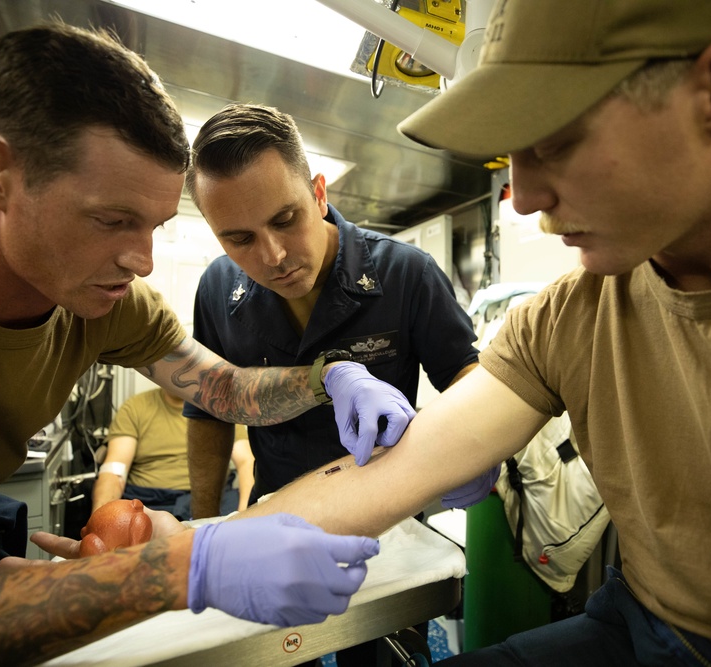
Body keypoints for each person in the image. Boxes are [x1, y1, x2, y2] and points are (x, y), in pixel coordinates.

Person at [225, 0, 711, 664]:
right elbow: (405, 469)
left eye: (553, 140)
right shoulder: (576, 311)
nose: (522, 194)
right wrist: (185, 559)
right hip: (635, 621)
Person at [0, 21, 412, 664]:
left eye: (154, 226)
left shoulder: (106, 302)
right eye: (112, 221)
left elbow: (221, 388)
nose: (142, 262)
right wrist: (171, 573)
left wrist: (332, 377)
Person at [182, 102, 489, 666]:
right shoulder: (217, 290)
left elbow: (467, 380)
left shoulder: (405, 273)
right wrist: (204, 523)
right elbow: (208, 411)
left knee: (384, 650)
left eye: (285, 219)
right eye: (239, 238)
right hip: (275, 511)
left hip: (385, 520)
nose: (272, 256)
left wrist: (475, 447)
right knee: (276, 652)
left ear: (319, 192)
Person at [92, 388, 256, 518]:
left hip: (213, 497)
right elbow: (114, 470)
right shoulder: (136, 407)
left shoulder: (216, 406)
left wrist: (244, 516)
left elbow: (246, 462)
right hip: (151, 501)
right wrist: (102, 520)